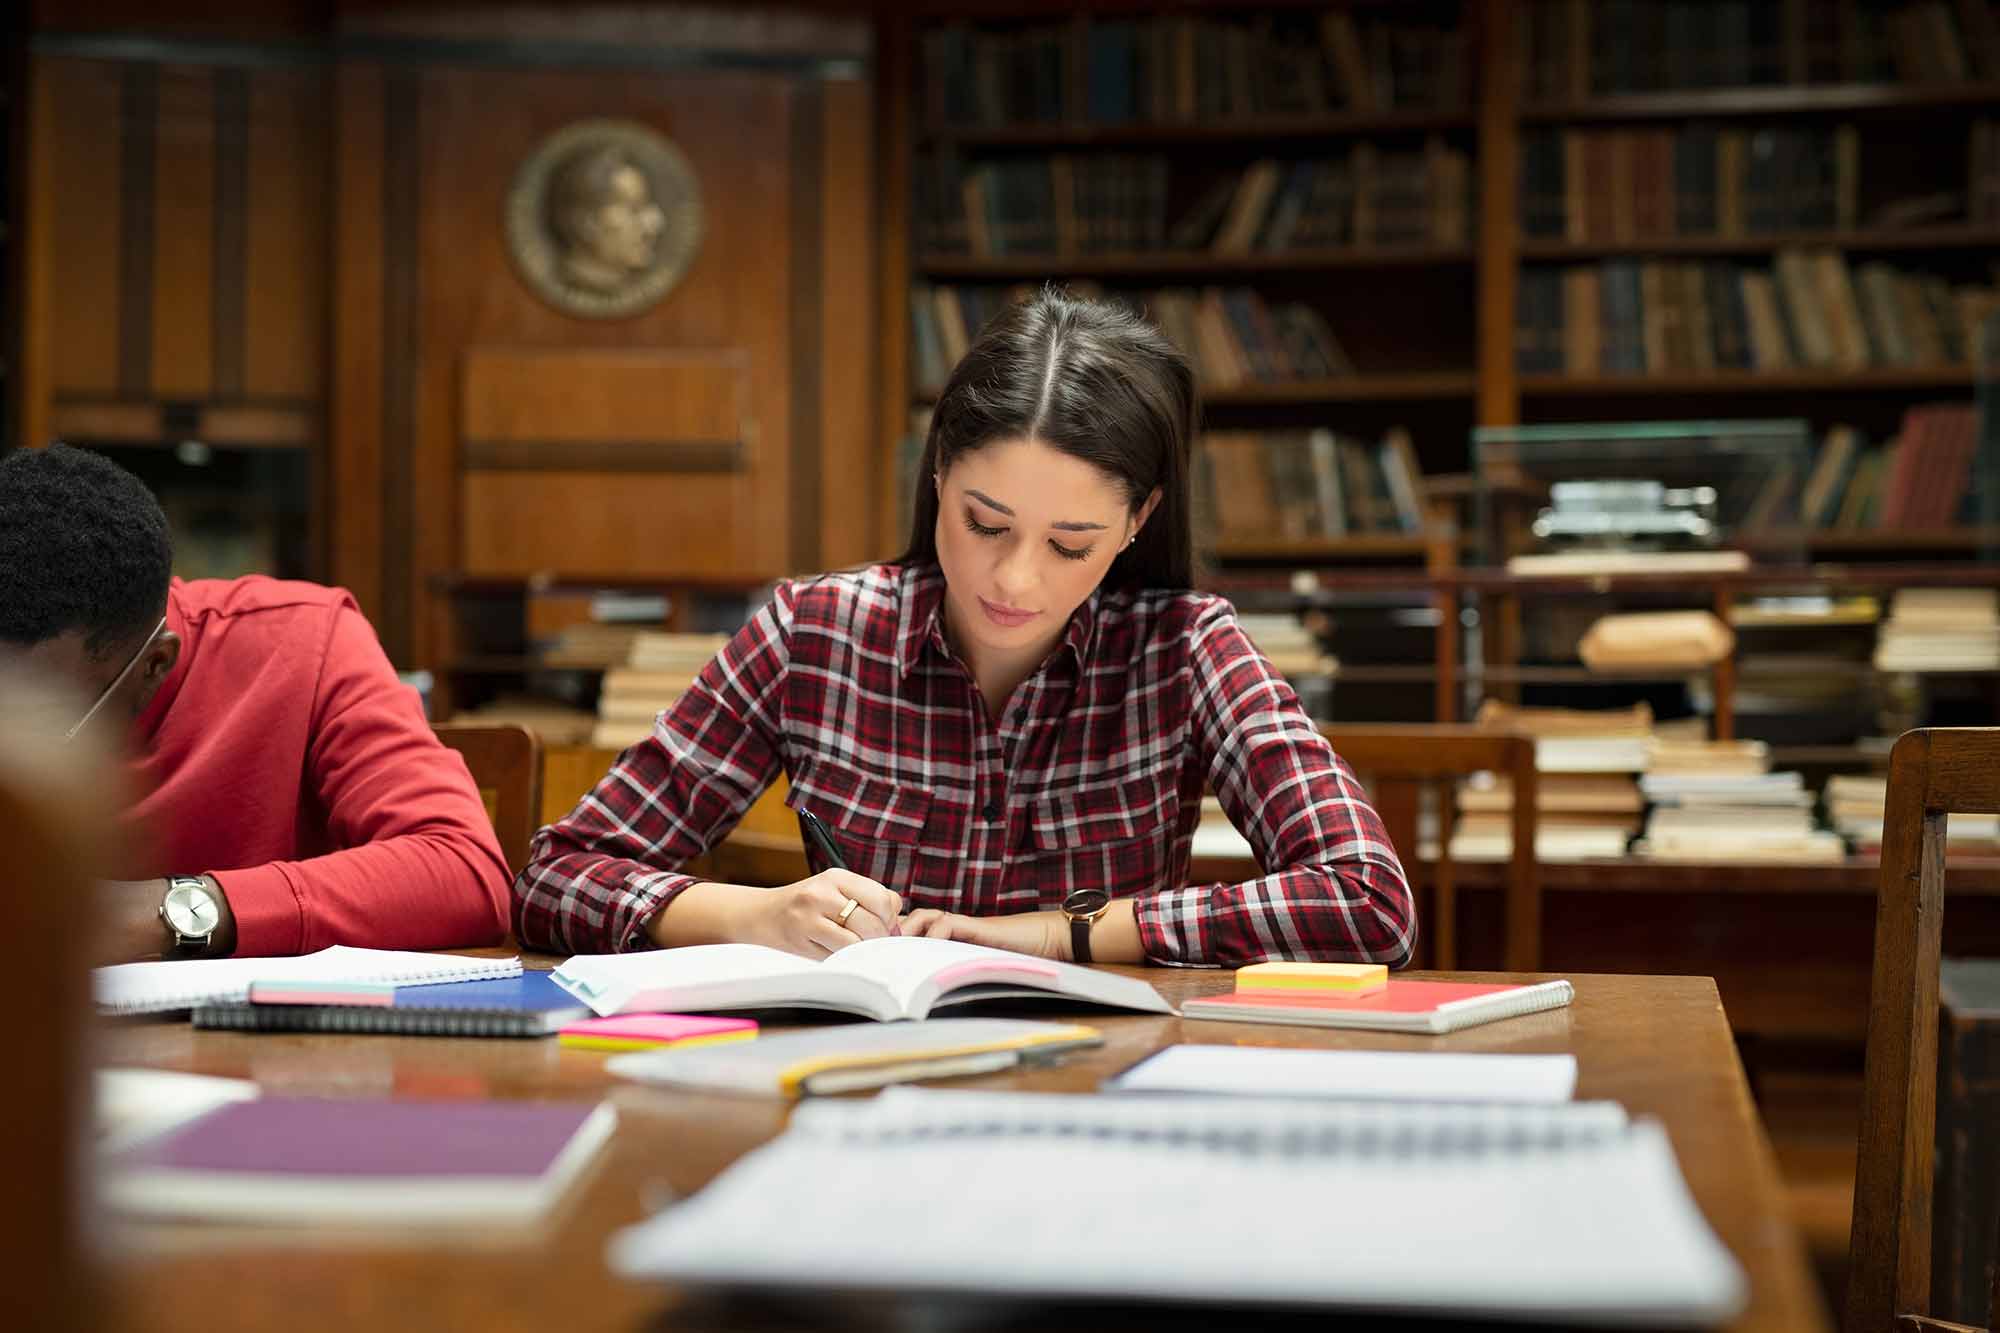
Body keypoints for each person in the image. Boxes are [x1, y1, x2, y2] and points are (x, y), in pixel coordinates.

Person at [516, 289, 1414, 968]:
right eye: (987, 524)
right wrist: (748, 914)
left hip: (1100, 1094)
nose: (1016, 580)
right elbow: (558, 874)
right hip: (857, 1091)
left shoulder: (1185, 648)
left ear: (1139, 520)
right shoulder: (815, 634)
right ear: (939, 471)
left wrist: (1058, 936)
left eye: (1071, 543)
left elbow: (1371, 902)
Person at [0, 444, 513, 963]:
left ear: (155, 663)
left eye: (40, 716)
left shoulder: (303, 644)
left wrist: (174, 911)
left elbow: (463, 871)